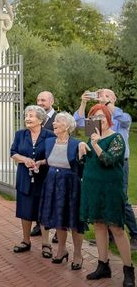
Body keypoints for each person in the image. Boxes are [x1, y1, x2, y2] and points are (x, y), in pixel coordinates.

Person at [78, 104, 135, 285]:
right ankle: (103, 266)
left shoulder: (116, 138)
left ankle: (128, 271)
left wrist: (95, 145)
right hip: (92, 188)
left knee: (116, 228)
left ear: (108, 118)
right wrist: (81, 149)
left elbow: (109, 161)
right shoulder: (91, 138)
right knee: (99, 225)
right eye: (94, 118)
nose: (98, 120)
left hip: (110, 189)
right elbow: (87, 164)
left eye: (102, 117)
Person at [75, 89, 137, 250]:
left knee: (121, 198)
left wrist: (106, 104)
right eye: (100, 95)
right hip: (97, 162)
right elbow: (80, 123)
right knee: (101, 200)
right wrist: (83, 102)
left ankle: (135, 234)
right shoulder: (96, 118)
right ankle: (107, 236)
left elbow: (124, 121)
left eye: (107, 95)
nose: (102, 98)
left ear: (114, 99)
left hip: (118, 163)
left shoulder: (122, 117)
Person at [37, 112, 87, 269]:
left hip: (70, 184)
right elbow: (52, 159)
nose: (54, 123)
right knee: (59, 218)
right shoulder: (49, 142)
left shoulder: (77, 144)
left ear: (67, 126)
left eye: (58, 121)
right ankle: (61, 250)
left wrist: (82, 153)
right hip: (52, 182)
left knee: (74, 220)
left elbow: (82, 166)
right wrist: (41, 162)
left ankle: (78, 254)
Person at [10, 105, 56, 258]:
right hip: (24, 176)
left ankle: (46, 243)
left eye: (31, 116)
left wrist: (42, 162)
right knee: (25, 209)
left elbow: (54, 156)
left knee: (44, 210)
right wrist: (24, 159)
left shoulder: (50, 136)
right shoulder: (20, 134)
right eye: (26, 116)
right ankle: (25, 241)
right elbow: (13, 153)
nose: (27, 118)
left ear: (40, 120)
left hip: (43, 178)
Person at [31, 91, 57, 239]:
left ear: (51, 102)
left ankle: (58, 229)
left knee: (54, 197)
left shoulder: (57, 118)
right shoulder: (35, 117)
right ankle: (39, 224)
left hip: (53, 164)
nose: (40, 103)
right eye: (38, 100)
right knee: (38, 196)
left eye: (43, 100)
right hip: (37, 164)